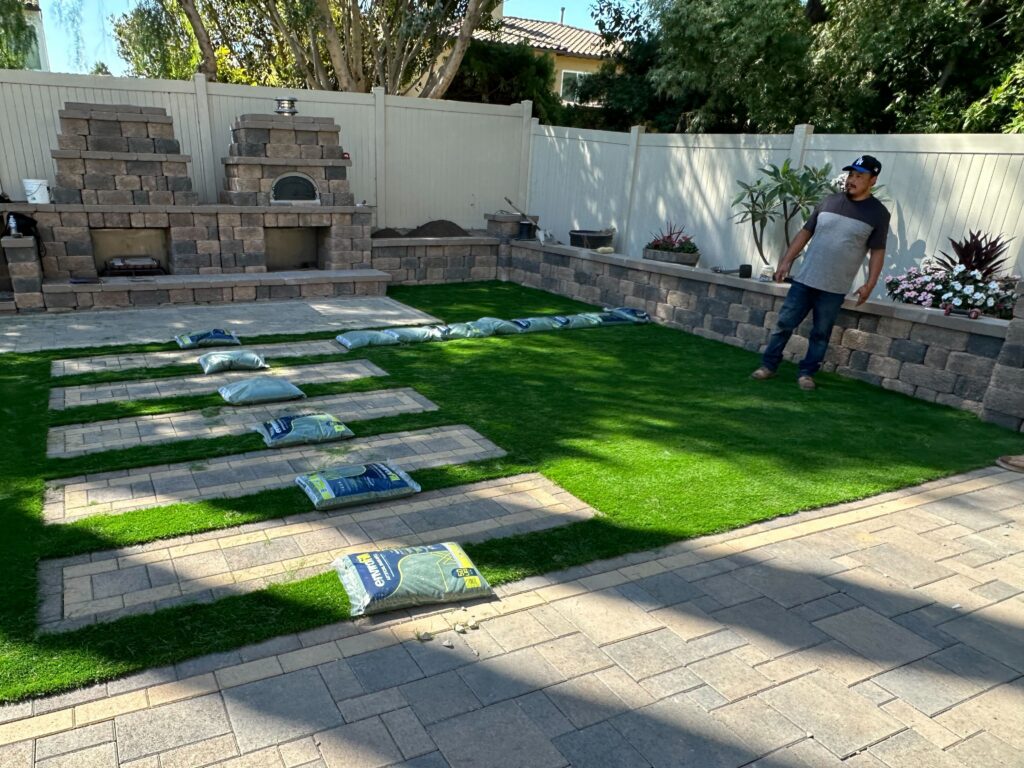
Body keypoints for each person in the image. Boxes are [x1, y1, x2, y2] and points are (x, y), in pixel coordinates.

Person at [750, 154, 891, 390]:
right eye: (850, 174)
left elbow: (877, 251)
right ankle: (768, 366)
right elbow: (805, 233)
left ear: (873, 180)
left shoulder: (878, 213)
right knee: (784, 324)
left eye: (859, 176)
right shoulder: (829, 202)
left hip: (834, 287)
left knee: (820, 333)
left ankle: (806, 373)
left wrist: (870, 283)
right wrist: (786, 260)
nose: (851, 180)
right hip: (805, 280)